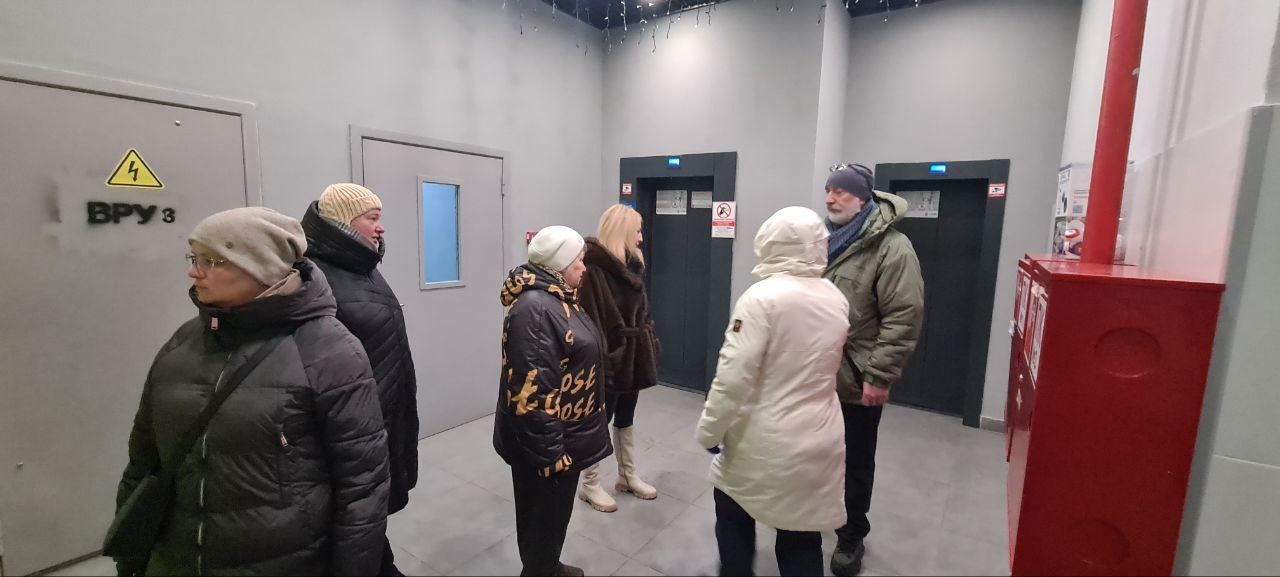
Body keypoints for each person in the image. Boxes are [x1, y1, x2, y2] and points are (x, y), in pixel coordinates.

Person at [114, 207, 390, 576]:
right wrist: (130, 554)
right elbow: (143, 460)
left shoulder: (328, 351)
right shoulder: (181, 344)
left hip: (288, 561)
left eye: (212, 261)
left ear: (262, 267)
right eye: (194, 258)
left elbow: (362, 486)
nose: (194, 272)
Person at [695, 206, 850, 577]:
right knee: (801, 536)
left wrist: (709, 432)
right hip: (821, 435)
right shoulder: (835, 297)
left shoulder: (761, 298)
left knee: (732, 513)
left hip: (764, 439)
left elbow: (732, 377)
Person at [301, 183, 420, 576]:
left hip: (378, 416)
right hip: (354, 424)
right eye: (372, 218)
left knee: (368, 514)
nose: (381, 227)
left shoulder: (361, 267)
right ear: (344, 222)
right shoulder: (317, 275)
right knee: (354, 515)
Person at [822, 164, 925, 576]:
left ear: (863, 199)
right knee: (815, 454)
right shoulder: (822, 239)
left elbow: (904, 315)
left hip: (856, 377)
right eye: (828, 190)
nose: (831, 198)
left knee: (856, 461)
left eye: (841, 192)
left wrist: (879, 376)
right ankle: (812, 515)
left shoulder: (892, 247)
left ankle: (851, 535)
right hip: (814, 377)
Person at [493, 226, 612, 577]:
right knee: (542, 522)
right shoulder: (537, 309)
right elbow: (532, 394)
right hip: (548, 446)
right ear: (559, 263)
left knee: (551, 521)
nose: (584, 268)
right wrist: (551, 456)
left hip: (563, 437)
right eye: (579, 261)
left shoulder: (559, 297)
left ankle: (548, 566)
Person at [575, 204, 661, 513]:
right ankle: (589, 484)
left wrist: (649, 342)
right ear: (622, 231)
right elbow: (589, 321)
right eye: (637, 231)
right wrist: (607, 358)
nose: (641, 237)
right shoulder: (593, 269)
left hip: (634, 356)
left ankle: (627, 476)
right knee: (600, 420)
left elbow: (642, 311)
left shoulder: (632, 264)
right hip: (610, 360)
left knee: (626, 417)